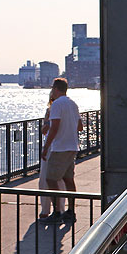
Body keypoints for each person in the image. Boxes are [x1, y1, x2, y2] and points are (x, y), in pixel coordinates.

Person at [40, 78, 82, 225]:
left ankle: (57, 212)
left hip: (60, 147)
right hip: (72, 146)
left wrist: (46, 148)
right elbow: (80, 127)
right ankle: (71, 211)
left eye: (53, 89)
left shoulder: (57, 104)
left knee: (50, 179)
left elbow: (54, 127)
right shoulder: (72, 104)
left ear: (56, 89)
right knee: (68, 180)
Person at [38, 91, 65, 218]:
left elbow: (47, 130)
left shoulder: (58, 110)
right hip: (59, 146)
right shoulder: (49, 111)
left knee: (50, 178)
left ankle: (54, 209)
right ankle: (52, 209)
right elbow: (44, 130)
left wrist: (45, 147)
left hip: (54, 147)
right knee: (53, 178)